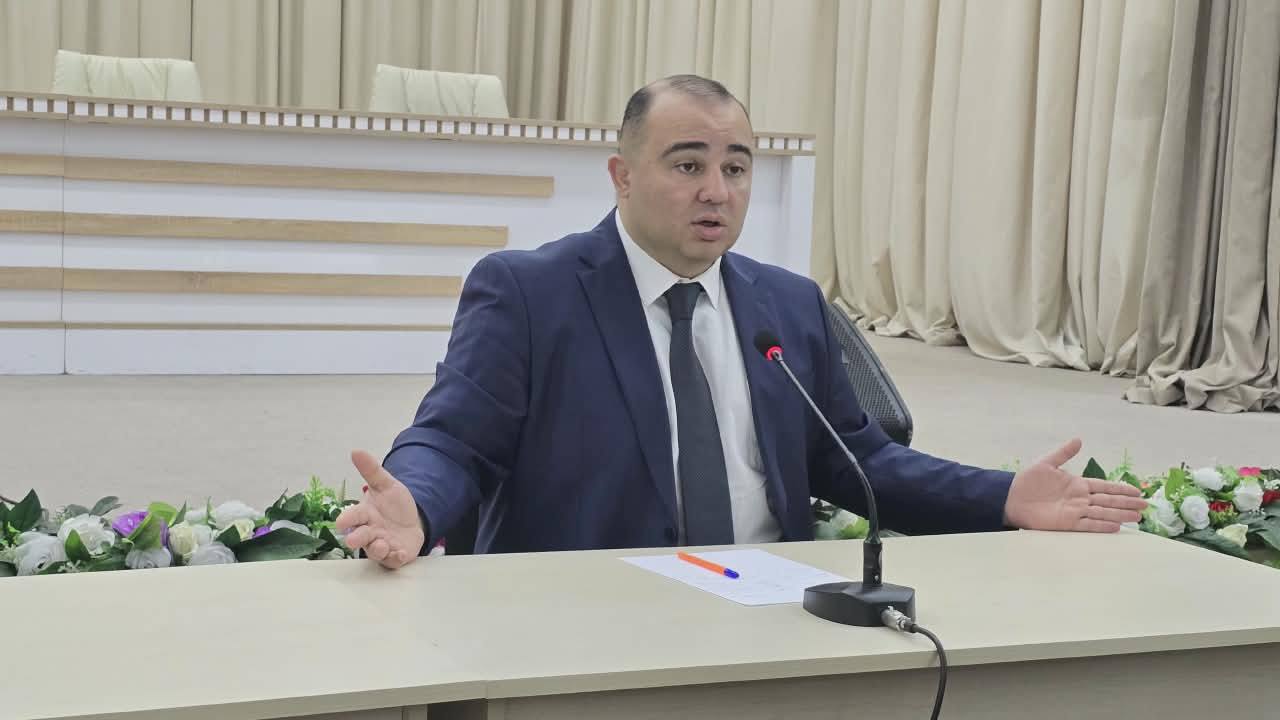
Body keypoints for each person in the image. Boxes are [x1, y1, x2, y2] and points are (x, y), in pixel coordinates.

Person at [336, 74, 1145, 568]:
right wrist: (418, 504)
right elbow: (455, 441)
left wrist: (1006, 497)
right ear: (622, 176)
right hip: (590, 612)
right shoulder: (528, 291)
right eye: (687, 164)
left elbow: (858, 461)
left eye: (735, 167)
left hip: (769, 602)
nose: (717, 191)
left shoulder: (787, 304)